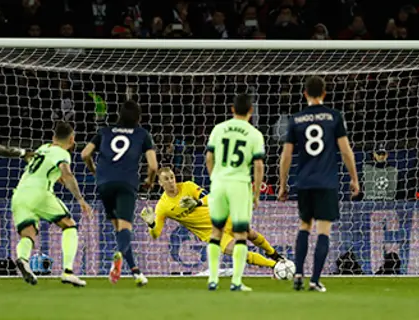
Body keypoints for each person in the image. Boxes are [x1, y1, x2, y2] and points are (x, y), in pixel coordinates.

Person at [278, 76, 360, 292]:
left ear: (304, 94)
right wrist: (354, 178)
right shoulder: (334, 117)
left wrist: (282, 184)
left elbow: (286, 155)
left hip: (304, 182)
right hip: (326, 182)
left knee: (304, 226)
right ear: (324, 94)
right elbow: (345, 150)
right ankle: (314, 280)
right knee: (323, 230)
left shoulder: (296, 119)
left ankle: (297, 273)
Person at [140, 167, 285, 272]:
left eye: (172, 177)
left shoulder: (188, 186)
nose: (171, 181)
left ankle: (274, 255)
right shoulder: (162, 207)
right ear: (160, 183)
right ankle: (275, 266)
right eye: (166, 179)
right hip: (212, 234)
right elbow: (156, 234)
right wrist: (151, 223)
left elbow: (211, 197)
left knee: (251, 234)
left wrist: (197, 202)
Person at [81, 100, 158, 287]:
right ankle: (119, 254)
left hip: (104, 183)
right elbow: (153, 165)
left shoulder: (104, 132)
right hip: (126, 184)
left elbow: (85, 154)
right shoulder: (142, 134)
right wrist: (149, 181)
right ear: (138, 117)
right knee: (125, 228)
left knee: (118, 229)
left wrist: (94, 171)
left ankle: (135, 271)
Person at [11, 121, 92, 287]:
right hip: (39, 193)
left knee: (28, 234)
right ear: (72, 140)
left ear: (53, 137)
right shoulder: (62, 153)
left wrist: (60, 179)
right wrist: (80, 200)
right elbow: (67, 175)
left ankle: (23, 259)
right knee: (69, 225)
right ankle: (68, 272)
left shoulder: (43, 148)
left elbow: (50, 172)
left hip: (19, 195)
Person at [206, 93, 265, 292]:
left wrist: (215, 178)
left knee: (216, 232)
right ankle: (236, 282)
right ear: (251, 110)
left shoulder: (218, 129)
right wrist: (256, 193)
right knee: (240, 234)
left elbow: (209, 157)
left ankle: (213, 279)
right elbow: (258, 166)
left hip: (219, 183)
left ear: (232, 109)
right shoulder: (254, 134)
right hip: (239, 184)